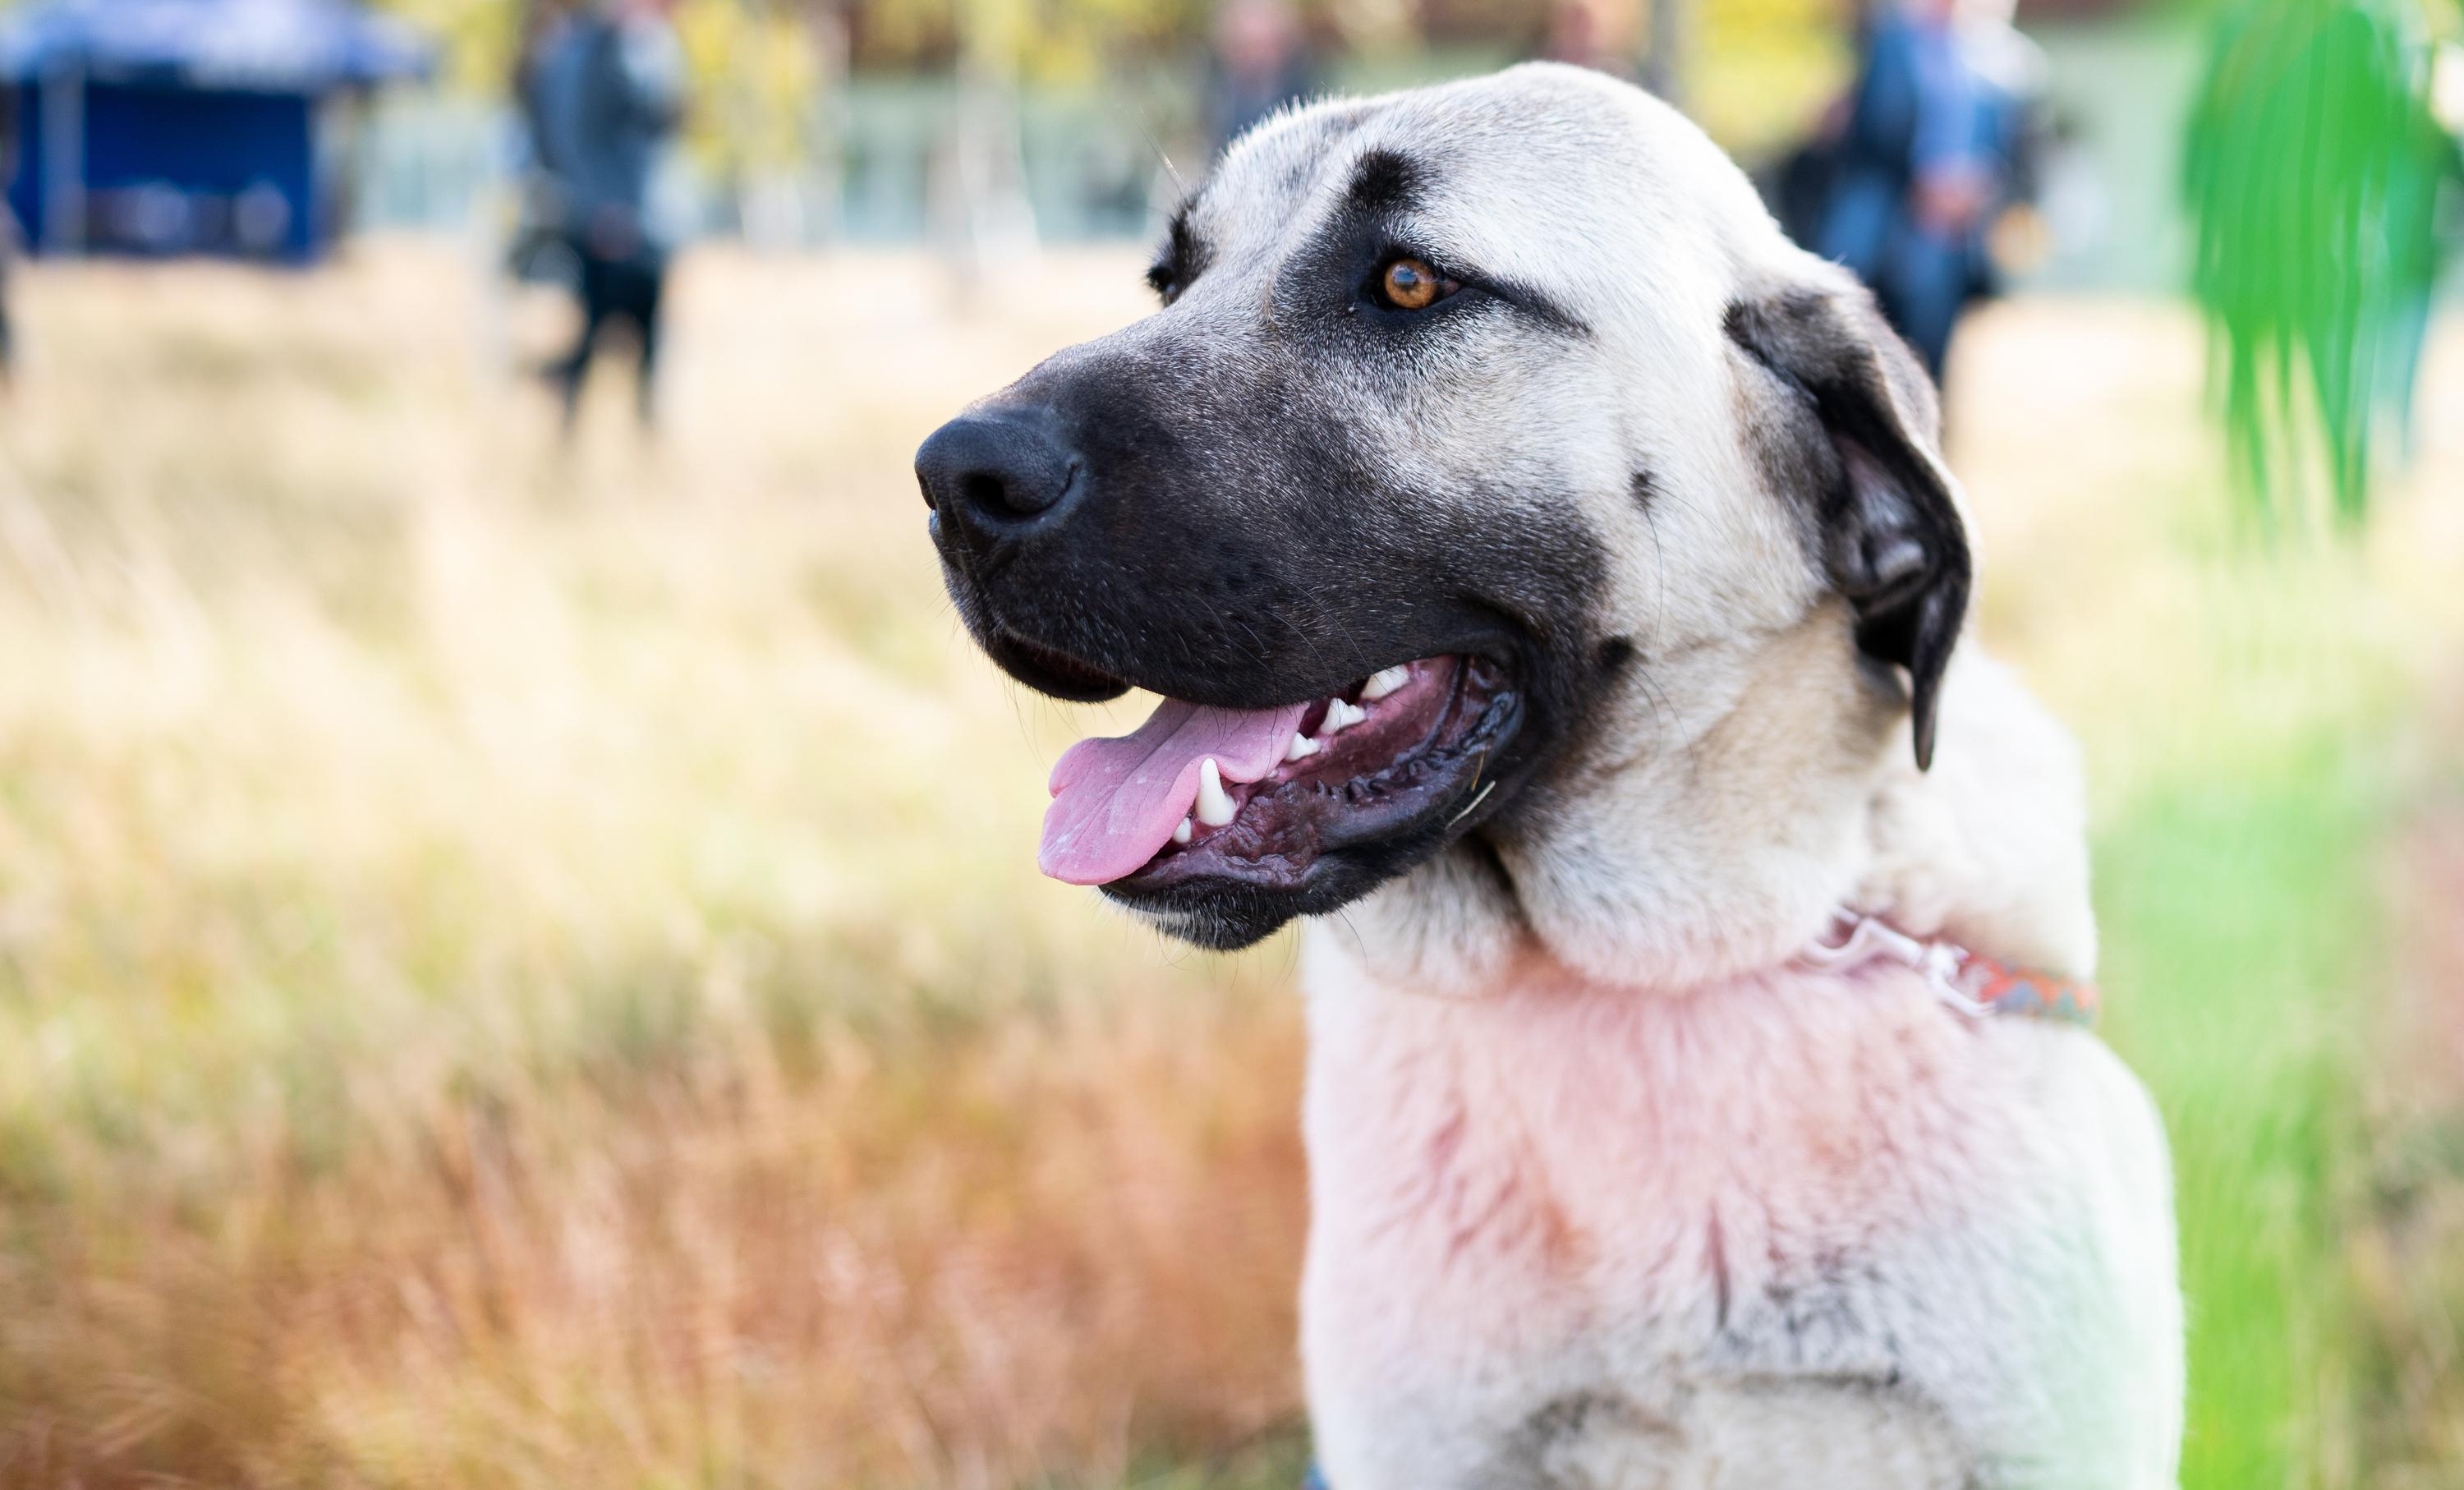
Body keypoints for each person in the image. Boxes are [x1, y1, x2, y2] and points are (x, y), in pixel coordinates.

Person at [1813, 0, 2044, 384]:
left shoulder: (2003, 62)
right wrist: (1920, 184)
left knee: (1932, 345)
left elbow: (2019, 150)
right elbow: (1869, 133)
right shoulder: (1891, 45)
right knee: (1865, 332)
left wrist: (1976, 191)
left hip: (1954, 231)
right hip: (1886, 217)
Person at [520, 0, 684, 428]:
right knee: (597, 330)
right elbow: (576, 137)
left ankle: (639, 432)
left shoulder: (647, 46)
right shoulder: (589, 53)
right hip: (608, 220)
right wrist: (604, 208)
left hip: (642, 220)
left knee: (645, 337)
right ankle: (565, 417)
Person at [1205, 0, 1314, 156]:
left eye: (1265, 45)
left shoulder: (1302, 96)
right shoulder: (1219, 97)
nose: (1257, 58)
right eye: (1247, 47)